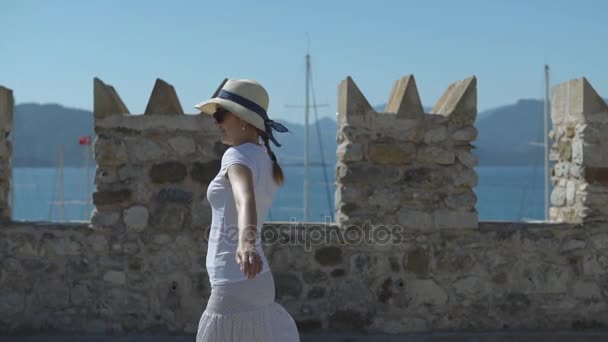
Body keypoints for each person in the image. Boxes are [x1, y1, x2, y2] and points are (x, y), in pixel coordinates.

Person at [194, 79, 300, 341]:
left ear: (242, 118)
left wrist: (246, 243)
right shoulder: (264, 155)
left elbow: (245, 197)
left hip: (234, 278)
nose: (215, 122)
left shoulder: (235, 156)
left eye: (220, 114)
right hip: (256, 279)